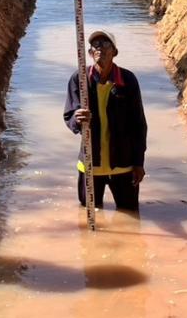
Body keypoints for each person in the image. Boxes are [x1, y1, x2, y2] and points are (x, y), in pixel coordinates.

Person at [63, 29, 147, 211]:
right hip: (90, 165)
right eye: (96, 45)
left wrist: (138, 162)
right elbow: (69, 115)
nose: (100, 48)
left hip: (123, 165)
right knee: (89, 215)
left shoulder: (128, 80)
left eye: (106, 44)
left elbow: (138, 124)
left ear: (114, 52)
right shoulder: (79, 79)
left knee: (130, 214)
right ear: (90, 53)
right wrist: (78, 119)